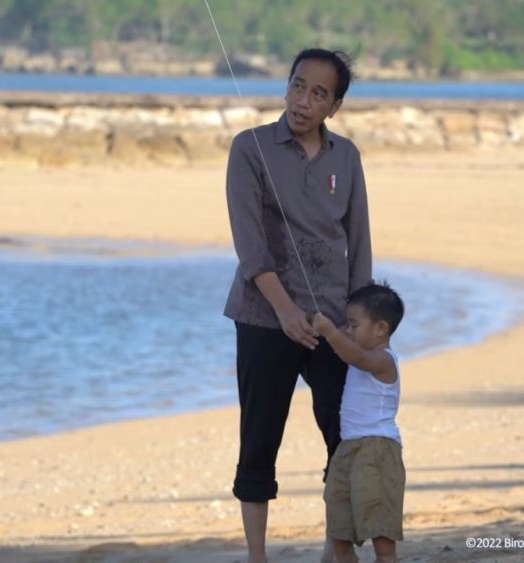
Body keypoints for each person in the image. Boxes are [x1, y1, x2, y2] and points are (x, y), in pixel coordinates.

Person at [224, 48, 372, 562]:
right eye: (296, 85)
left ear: (334, 107)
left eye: (318, 94)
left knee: (345, 438)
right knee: (260, 438)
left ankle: (335, 550)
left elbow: (359, 242)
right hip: (264, 316)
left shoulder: (346, 157)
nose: (302, 101)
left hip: (333, 322)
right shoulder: (249, 148)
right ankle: (257, 555)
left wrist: (358, 323)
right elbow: (250, 246)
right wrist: (284, 311)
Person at [312, 283, 406, 563]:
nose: (348, 330)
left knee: (380, 527)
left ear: (380, 329)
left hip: (377, 450)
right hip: (348, 449)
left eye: (353, 325)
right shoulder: (359, 350)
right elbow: (351, 349)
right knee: (339, 523)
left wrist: (330, 331)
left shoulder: (382, 360)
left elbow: (357, 356)